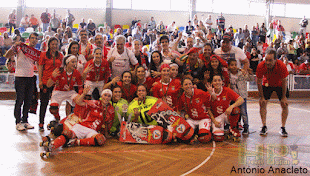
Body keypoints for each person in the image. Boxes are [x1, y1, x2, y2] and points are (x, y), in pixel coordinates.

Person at [45, 87, 115, 151]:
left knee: (100, 139)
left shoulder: (110, 109)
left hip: (92, 131)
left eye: (109, 96)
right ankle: (53, 145)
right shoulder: (95, 103)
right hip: (82, 126)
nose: (106, 97)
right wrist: (84, 94)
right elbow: (79, 102)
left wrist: (106, 134)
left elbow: (107, 123)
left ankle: (76, 142)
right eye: (105, 95)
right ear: (101, 96)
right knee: (67, 133)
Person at [4, 32, 39, 131]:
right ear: (28, 39)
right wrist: (14, 46)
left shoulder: (35, 52)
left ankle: (25, 120)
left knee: (28, 100)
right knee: (19, 100)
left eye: (36, 38)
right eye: (32, 38)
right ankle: (18, 122)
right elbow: (7, 56)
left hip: (30, 77)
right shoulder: (20, 48)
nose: (34, 40)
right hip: (20, 77)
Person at [256, 49, 289, 137]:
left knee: (284, 104)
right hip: (267, 84)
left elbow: (284, 81)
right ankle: (264, 126)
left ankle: (283, 127)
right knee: (262, 104)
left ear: (275, 60)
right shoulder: (261, 66)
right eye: (266, 60)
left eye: (270, 60)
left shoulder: (281, 66)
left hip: (280, 84)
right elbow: (259, 81)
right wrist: (262, 97)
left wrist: (283, 97)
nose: (267, 62)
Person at [177, 78, 215, 143]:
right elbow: (179, 110)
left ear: (192, 85)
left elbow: (213, 99)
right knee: (183, 136)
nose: (188, 86)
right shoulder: (182, 97)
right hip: (191, 119)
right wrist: (179, 122)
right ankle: (194, 134)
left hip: (203, 118)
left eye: (190, 84)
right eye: (186, 84)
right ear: (182, 87)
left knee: (204, 138)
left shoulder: (199, 92)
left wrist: (211, 93)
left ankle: (199, 132)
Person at [38, 37, 64, 131]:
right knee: (43, 103)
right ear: (49, 45)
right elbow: (40, 68)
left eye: (56, 44)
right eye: (52, 44)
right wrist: (40, 81)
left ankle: (56, 121)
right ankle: (41, 123)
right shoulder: (44, 54)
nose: (54, 46)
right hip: (45, 82)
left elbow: (61, 69)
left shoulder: (60, 55)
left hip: (56, 84)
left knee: (55, 104)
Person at [47, 55, 83, 121]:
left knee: (80, 102)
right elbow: (48, 85)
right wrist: (52, 77)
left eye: (75, 62)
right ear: (67, 63)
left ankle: (77, 119)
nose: (75, 64)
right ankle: (57, 117)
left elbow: (80, 86)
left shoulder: (76, 72)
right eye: (72, 62)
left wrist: (80, 95)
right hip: (59, 91)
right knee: (53, 108)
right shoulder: (59, 71)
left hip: (70, 92)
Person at [209, 74, 244, 141]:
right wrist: (214, 121)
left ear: (222, 82)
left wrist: (231, 106)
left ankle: (233, 129)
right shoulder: (209, 92)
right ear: (212, 83)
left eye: (219, 80)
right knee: (218, 138)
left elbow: (241, 100)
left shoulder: (227, 90)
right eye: (215, 81)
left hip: (226, 114)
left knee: (235, 110)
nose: (217, 82)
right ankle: (219, 130)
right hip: (216, 117)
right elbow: (208, 109)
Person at [228, 59, 254, 135]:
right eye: (232, 65)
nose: (234, 66)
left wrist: (250, 73)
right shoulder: (228, 74)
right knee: (235, 111)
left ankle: (246, 126)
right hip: (233, 97)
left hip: (242, 96)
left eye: (235, 65)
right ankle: (235, 125)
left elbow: (251, 79)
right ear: (229, 66)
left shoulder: (241, 73)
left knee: (243, 112)